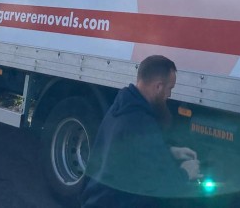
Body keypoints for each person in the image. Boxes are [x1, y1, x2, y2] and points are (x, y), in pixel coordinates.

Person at [81, 55, 201, 207]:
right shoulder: (140, 122)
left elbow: (134, 154)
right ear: (158, 87)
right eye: (169, 88)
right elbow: (160, 184)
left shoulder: (121, 108)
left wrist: (170, 151)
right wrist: (185, 174)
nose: (169, 95)